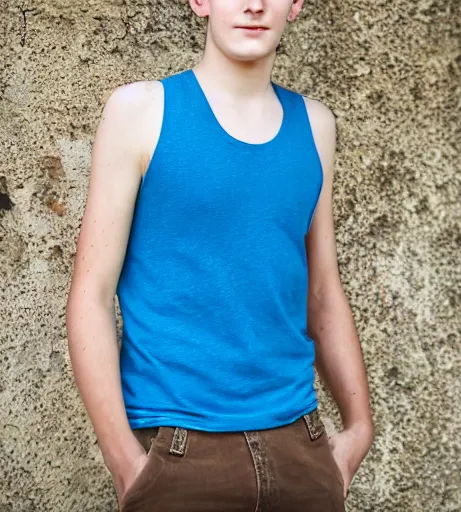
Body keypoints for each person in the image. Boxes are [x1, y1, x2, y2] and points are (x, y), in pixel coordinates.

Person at [66, 0, 374, 510]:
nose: (254, 5)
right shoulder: (141, 111)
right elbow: (91, 294)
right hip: (179, 450)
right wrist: (125, 462)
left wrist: (359, 429)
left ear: (296, 6)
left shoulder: (315, 125)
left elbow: (322, 291)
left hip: (302, 448)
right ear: (199, 2)